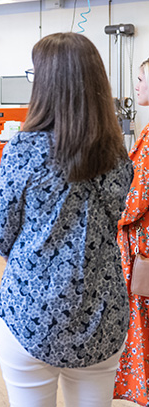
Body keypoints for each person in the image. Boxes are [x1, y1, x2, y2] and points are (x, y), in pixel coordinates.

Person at [0, 32, 132, 407]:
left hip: (30, 313)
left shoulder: (23, 148)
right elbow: (115, 214)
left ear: (47, 84)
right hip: (101, 316)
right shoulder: (117, 154)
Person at [114, 57, 149, 405]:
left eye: (140, 79)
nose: (136, 86)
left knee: (139, 311)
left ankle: (141, 386)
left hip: (142, 249)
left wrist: (107, 211)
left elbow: (136, 201)